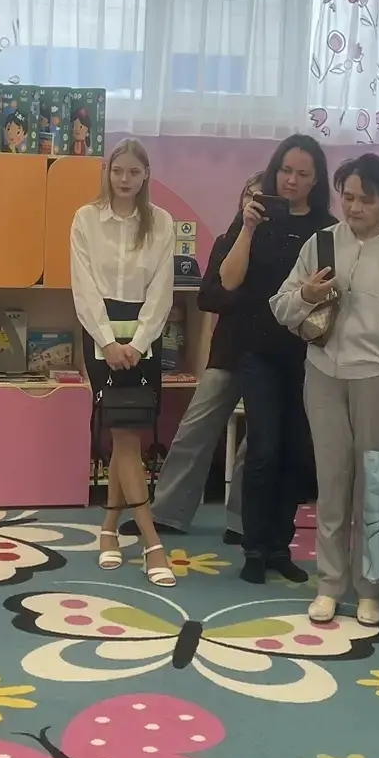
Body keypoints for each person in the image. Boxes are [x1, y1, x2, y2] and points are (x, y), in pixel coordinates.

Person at [272, 154, 379, 626]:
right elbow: (281, 307)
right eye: (348, 197)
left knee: (374, 489)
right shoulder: (322, 242)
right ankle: (329, 583)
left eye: (366, 200)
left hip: (378, 378)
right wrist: (307, 295)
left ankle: (370, 588)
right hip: (322, 374)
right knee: (332, 483)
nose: (354, 208)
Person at [202, 135, 332, 584]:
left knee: (296, 452)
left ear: (316, 180)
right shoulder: (255, 218)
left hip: (307, 354)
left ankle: (280, 546)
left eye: (302, 174)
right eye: (285, 171)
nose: (291, 180)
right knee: (264, 448)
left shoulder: (327, 228)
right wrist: (248, 227)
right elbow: (228, 280)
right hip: (256, 350)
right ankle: (254, 548)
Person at [122, 173, 261, 544]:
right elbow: (208, 296)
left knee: (257, 442)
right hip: (228, 352)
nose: (252, 202)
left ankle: (242, 522)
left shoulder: (284, 245)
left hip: (269, 356)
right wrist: (245, 298)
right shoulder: (228, 240)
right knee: (193, 430)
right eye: (248, 194)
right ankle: (167, 513)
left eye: (262, 197)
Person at [71, 139, 178, 585]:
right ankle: (152, 542)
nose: (125, 179)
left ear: (146, 175)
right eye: (118, 171)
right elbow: (83, 286)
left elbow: (162, 289)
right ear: (107, 171)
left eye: (134, 172)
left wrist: (138, 342)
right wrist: (107, 342)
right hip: (100, 335)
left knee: (128, 433)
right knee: (123, 433)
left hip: (143, 337)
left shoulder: (161, 222)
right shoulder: (86, 219)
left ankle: (110, 528)